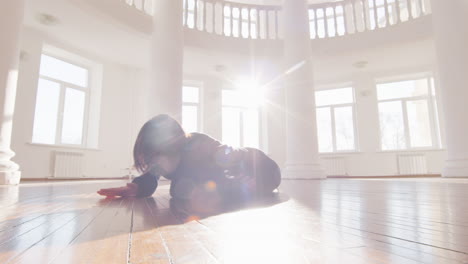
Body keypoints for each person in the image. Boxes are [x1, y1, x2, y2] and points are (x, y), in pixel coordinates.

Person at [97, 114, 281, 201]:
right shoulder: (162, 161)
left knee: (182, 190)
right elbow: (151, 178)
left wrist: (239, 184)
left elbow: (233, 155)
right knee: (181, 190)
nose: (155, 165)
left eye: (155, 156)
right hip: (237, 176)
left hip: (265, 169)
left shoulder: (200, 145)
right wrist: (136, 187)